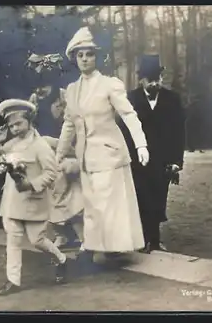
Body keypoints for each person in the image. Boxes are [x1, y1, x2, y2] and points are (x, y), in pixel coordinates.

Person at [56, 26, 149, 260]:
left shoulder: (109, 84)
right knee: (92, 202)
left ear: (96, 57)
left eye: (89, 54)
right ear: (74, 59)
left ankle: (112, 247)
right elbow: (69, 124)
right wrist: (59, 153)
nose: (85, 59)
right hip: (86, 156)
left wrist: (141, 144)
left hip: (109, 153)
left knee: (109, 203)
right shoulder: (72, 90)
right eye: (80, 55)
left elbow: (128, 114)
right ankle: (94, 246)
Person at [0, 99, 68, 296]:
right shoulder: (10, 145)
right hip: (12, 202)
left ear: (30, 121)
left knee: (37, 240)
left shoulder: (41, 145)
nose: (14, 128)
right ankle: (13, 280)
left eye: (18, 123)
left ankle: (61, 259)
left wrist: (32, 184)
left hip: (33, 201)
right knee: (13, 240)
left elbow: (51, 172)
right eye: (11, 125)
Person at [122, 54, 186, 253]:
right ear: (141, 79)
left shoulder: (172, 99)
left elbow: (179, 132)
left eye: (157, 77)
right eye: (149, 78)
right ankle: (144, 239)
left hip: (163, 160)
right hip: (138, 159)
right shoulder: (130, 99)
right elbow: (124, 130)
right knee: (142, 197)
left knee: (159, 197)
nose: (154, 82)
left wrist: (176, 161)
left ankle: (155, 239)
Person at [42, 135, 84, 250]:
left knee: (75, 218)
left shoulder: (64, 163)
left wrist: (68, 165)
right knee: (54, 219)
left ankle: (83, 240)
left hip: (70, 196)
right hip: (54, 198)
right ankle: (61, 237)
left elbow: (76, 166)